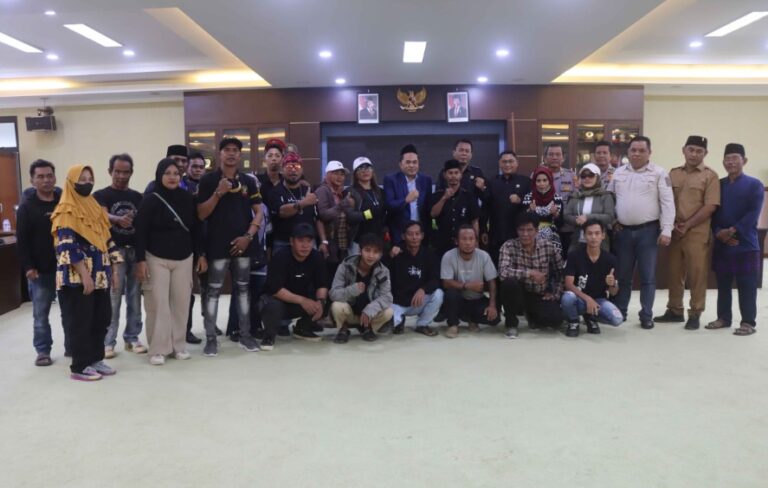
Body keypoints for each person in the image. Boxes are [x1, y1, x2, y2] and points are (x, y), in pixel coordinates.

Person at [51, 165, 122, 381]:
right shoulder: (65, 210)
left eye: (90, 178)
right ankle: (80, 366)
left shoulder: (94, 207)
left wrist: (115, 271)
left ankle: (95, 359)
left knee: (101, 318)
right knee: (80, 321)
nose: (87, 183)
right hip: (77, 279)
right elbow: (67, 246)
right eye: (82, 179)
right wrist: (84, 275)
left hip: (100, 276)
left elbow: (108, 240)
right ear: (71, 182)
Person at [196, 137, 264, 356]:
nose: (232, 153)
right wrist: (219, 192)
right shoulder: (208, 180)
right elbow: (201, 214)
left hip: (244, 245)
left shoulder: (248, 181)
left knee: (243, 290)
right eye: (227, 150)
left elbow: (259, 212)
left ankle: (245, 335)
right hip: (216, 245)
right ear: (220, 154)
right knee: (213, 291)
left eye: (236, 150)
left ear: (240, 155)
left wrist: (248, 236)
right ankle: (211, 338)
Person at [135, 159, 205, 365]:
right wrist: (140, 260)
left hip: (184, 258)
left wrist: (200, 254)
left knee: (181, 304)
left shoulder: (187, 198)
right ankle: (158, 349)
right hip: (156, 258)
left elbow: (196, 229)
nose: (172, 177)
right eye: (167, 173)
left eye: (176, 173)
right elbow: (140, 231)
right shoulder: (150, 199)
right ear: (159, 175)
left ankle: (178, 346)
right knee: (158, 305)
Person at [607, 135, 675, 329]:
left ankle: (646, 315)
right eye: (633, 150)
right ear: (628, 152)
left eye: (641, 150)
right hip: (623, 232)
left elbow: (667, 202)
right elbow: (609, 199)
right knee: (623, 275)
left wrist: (667, 229)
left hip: (648, 232)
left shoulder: (659, 173)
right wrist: (613, 221)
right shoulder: (618, 173)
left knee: (648, 276)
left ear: (649, 153)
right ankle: (621, 311)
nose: (637, 154)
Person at [654, 136, 720, 330]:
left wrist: (688, 224)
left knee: (696, 275)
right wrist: (670, 225)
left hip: (697, 233)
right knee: (674, 273)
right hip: (674, 232)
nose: (694, 154)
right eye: (691, 149)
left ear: (706, 153)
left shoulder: (710, 176)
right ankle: (675, 310)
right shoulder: (673, 173)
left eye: (699, 151)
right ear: (683, 150)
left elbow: (710, 206)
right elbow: (664, 200)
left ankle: (695, 313)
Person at [706, 143, 764, 337]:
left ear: (744, 161)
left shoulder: (755, 184)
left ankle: (748, 322)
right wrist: (718, 232)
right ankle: (723, 318)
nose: (730, 162)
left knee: (747, 285)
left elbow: (753, 214)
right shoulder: (718, 184)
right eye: (727, 158)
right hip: (722, 243)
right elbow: (712, 212)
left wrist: (732, 231)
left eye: (734, 158)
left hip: (746, 244)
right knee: (722, 285)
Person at [93, 153, 147, 359]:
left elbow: (143, 227)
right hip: (113, 253)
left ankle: (132, 338)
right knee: (113, 298)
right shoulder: (101, 194)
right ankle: (108, 342)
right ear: (110, 171)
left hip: (135, 251)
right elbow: (102, 215)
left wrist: (142, 258)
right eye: (117, 171)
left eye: (126, 172)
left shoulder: (138, 197)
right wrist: (117, 219)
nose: (121, 176)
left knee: (135, 297)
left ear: (131, 173)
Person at [16, 159, 65, 366]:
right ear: (32, 180)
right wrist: (28, 267)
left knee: (70, 313)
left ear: (55, 177)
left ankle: (72, 346)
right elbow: (22, 241)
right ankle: (43, 351)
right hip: (40, 271)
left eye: (49, 175)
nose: (46, 180)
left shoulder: (64, 202)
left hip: (66, 268)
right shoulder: (26, 207)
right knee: (40, 315)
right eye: (41, 176)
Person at [258, 223, 329, 349]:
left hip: (299, 302)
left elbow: (322, 284)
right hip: (279, 301)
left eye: (309, 241)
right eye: (301, 241)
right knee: (272, 305)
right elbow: (275, 289)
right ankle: (268, 336)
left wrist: (321, 302)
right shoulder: (280, 257)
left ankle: (302, 328)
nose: (305, 245)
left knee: (326, 299)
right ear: (291, 241)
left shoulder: (316, 257)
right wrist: (302, 300)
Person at [497, 213, 564, 338]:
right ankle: (511, 324)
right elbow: (502, 273)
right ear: (516, 230)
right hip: (518, 294)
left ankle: (532, 315)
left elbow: (561, 272)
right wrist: (529, 273)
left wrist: (555, 294)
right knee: (509, 283)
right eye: (521, 230)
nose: (525, 234)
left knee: (556, 320)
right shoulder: (508, 246)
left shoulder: (548, 246)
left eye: (529, 230)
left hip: (539, 294)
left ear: (537, 231)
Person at [561, 220, 623, 337]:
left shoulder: (611, 259)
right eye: (589, 233)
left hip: (599, 300)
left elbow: (613, 292)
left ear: (603, 235)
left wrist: (613, 283)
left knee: (617, 319)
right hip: (579, 298)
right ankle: (573, 321)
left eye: (597, 233)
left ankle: (590, 317)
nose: (593, 237)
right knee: (567, 298)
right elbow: (568, 284)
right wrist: (588, 299)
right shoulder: (574, 255)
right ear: (584, 236)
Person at [330, 233, 393, 343]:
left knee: (389, 312)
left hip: (369, 314)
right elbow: (333, 294)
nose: (371, 255)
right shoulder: (345, 266)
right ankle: (343, 329)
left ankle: (367, 327)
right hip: (349, 313)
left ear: (380, 255)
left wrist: (371, 309)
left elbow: (387, 297)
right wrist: (352, 290)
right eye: (367, 250)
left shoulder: (383, 271)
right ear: (360, 251)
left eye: (375, 252)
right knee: (336, 306)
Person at [385, 221, 443, 336]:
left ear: (422, 236)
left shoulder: (429, 254)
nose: (414, 237)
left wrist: (423, 289)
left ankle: (422, 325)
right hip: (397, 303)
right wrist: (390, 256)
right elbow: (381, 271)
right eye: (410, 234)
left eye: (417, 234)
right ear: (403, 236)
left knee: (438, 294)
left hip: (417, 301)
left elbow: (436, 279)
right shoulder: (396, 252)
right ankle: (400, 320)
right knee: (384, 328)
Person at [440, 225, 498, 338]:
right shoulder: (448, 256)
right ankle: (453, 324)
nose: (468, 243)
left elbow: (492, 281)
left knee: (495, 319)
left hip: (477, 299)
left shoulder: (484, 256)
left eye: (471, 239)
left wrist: (492, 305)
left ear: (476, 241)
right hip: (458, 299)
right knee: (450, 293)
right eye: (464, 239)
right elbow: (446, 282)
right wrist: (467, 286)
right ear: (456, 241)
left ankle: (472, 320)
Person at [482, 150, 531, 263]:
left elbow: (532, 207)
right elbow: (485, 208)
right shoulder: (492, 182)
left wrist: (520, 201)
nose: (507, 164)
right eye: (504, 162)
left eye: (510, 161)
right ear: (499, 164)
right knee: (496, 264)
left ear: (517, 163)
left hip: (518, 234)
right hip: (496, 234)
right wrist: (483, 229)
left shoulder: (526, 182)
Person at [384, 144, 433, 254]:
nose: (411, 165)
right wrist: (406, 200)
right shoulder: (391, 180)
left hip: (420, 235)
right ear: (400, 164)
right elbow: (389, 205)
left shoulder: (426, 180)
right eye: (408, 162)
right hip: (399, 235)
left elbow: (428, 207)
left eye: (414, 162)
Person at [268, 152, 319, 255]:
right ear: (282, 170)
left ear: (302, 170)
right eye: (289, 166)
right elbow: (281, 212)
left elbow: (317, 218)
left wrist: (323, 241)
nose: (293, 170)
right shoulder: (276, 191)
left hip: (308, 243)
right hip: (283, 243)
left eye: (297, 166)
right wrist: (304, 202)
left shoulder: (308, 190)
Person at [316, 160, 356, 282]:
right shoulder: (323, 190)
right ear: (328, 174)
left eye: (342, 174)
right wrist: (344, 204)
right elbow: (323, 215)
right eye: (336, 173)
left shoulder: (340, 192)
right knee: (330, 277)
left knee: (341, 277)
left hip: (342, 244)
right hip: (330, 243)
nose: (340, 177)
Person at [430, 159, 480, 256]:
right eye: (450, 173)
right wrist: (444, 198)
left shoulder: (469, 196)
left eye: (456, 173)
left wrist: (476, 242)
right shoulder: (437, 196)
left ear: (460, 175)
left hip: (464, 243)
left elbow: (475, 221)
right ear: (445, 175)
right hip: (443, 244)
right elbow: (433, 214)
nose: (453, 176)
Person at [563, 163, 615, 253]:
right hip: (578, 241)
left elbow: (609, 217)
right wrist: (576, 220)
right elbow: (566, 215)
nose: (587, 178)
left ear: (597, 177)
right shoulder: (576, 196)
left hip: (599, 243)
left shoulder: (605, 196)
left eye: (591, 175)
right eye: (583, 176)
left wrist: (588, 217)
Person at [347, 157, 386, 254]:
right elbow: (349, 216)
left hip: (378, 238)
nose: (365, 171)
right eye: (361, 168)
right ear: (355, 173)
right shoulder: (350, 192)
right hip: (358, 240)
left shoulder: (380, 191)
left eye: (368, 167)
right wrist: (368, 214)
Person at [542, 144, 577, 254]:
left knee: (566, 257)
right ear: (545, 157)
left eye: (558, 154)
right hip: (544, 226)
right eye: (551, 154)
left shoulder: (571, 176)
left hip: (566, 228)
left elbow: (576, 200)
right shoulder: (537, 175)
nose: (554, 157)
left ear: (563, 158)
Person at [522, 166, 564, 256]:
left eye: (545, 180)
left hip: (552, 238)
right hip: (531, 236)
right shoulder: (528, 197)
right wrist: (530, 212)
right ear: (534, 182)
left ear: (550, 181)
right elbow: (523, 220)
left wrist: (555, 214)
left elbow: (561, 223)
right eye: (538, 181)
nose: (542, 183)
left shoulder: (557, 198)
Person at [255, 138, 286, 205]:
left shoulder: (286, 182)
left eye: (277, 156)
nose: (274, 158)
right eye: (270, 156)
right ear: (264, 159)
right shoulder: (257, 181)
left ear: (282, 160)